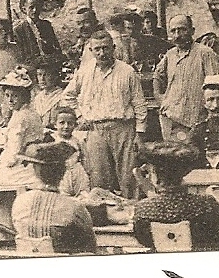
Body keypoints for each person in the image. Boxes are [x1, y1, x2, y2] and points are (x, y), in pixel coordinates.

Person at [62, 30, 147, 198]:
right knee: (99, 179)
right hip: (95, 130)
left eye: (106, 48)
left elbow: (139, 104)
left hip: (123, 129)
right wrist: (80, 116)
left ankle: (132, 216)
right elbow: (67, 96)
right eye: (98, 49)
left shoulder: (127, 72)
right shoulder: (84, 72)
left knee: (128, 177)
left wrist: (140, 133)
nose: (102, 53)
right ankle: (103, 215)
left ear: (113, 48)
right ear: (91, 51)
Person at [132, 141, 219, 252]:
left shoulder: (143, 208)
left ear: (155, 174)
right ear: (184, 172)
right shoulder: (207, 203)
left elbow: (143, 240)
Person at [10, 140, 98, 254]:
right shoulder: (73, 206)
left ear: (36, 171)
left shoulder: (20, 201)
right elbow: (91, 244)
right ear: (63, 173)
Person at [155, 14, 219, 142]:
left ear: (192, 31)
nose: (177, 35)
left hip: (197, 122)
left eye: (182, 30)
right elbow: (157, 76)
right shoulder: (170, 55)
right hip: (171, 119)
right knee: (174, 156)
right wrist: (160, 98)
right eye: (173, 31)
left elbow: (216, 86)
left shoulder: (205, 53)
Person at [0, 68, 46, 186]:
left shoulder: (20, 117)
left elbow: (14, 151)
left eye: (15, 96)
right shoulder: (30, 112)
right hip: (33, 165)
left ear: (24, 96)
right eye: (7, 95)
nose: (10, 100)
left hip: (21, 169)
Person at [13, 0, 62, 64]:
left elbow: (56, 47)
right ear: (24, 9)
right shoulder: (19, 30)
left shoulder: (46, 25)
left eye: (37, 6)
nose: (35, 10)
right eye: (31, 7)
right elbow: (21, 56)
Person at [51, 108, 91, 197]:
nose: (66, 126)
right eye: (62, 123)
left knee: (83, 197)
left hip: (78, 175)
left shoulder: (78, 142)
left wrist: (87, 173)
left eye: (70, 123)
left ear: (75, 125)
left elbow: (85, 160)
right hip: (61, 175)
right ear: (55, 124)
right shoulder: (52, 141)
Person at [0, 18, 26, 87]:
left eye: (7, 30)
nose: (4, 33)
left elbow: (21, 69)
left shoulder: (16, 48)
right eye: (1, 30)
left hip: (14, 88)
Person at [32, 56, 66, 128]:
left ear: (55, 76)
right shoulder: (37, 98)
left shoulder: (62, 96)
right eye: (39, 74)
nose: (42, 79)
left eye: (46, 75)